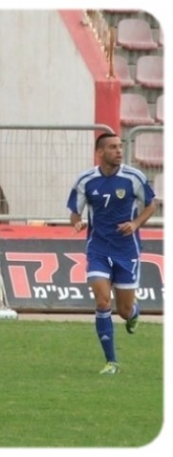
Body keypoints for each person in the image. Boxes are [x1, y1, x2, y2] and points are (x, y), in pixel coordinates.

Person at [67, 132, 157, 375]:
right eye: (113, 147)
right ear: (100, 152)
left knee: (124, 311)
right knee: (102, 301)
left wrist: (135, 223)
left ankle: (133, 312)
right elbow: (74, 211)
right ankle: (111, 362)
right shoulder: (86, 180)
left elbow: (152, 204)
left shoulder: (133, 177)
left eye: (120, 146)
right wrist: (77, 222)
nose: (119, 151)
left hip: (126, 250)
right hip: (98, 248)